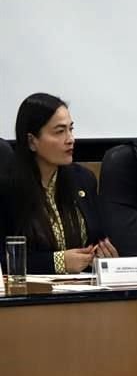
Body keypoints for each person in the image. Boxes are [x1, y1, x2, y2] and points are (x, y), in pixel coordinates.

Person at [0, 93, 116, 273]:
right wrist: (58, 262)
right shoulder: (7, 186)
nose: (70, 139)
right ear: (32, 141)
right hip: (29, 289)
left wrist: (105, 257)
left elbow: (97, 241)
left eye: (71, 129)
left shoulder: (83, 179)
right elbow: (4, 259)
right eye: (60, 131)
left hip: (83, 286)